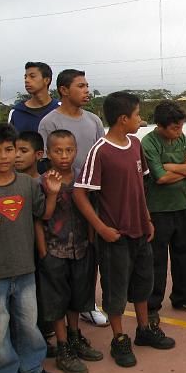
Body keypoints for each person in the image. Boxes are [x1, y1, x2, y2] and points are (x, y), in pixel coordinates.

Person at [73, 92, 175, 368]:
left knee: (144, 283)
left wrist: (147, 219)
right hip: (115, 236)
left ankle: (144, 329)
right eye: (138, 115)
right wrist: (102, 228)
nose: (141, 120)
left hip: (140, 230)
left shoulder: (134, 144)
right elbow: (80, 194)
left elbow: (140, 188)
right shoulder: (100, 151)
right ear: (123, 119)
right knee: (115, 290)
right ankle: (119, 339)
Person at [38, 69, 108, 328]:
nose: (87, 90)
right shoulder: (49, 122)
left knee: (90, 252)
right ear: (64, 90)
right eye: (81, 85)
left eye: (87, 85)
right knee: (63, 257)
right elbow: (46, 162)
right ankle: (64, 317)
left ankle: (88, 304)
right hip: (63, 199)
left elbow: (101, 156)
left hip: (92, 195)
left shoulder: (93, 120)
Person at [0, 123, 60, 373]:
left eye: (8, 149)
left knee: (27, 323)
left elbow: (43, 215)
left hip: (25, 269)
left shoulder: (26, 184)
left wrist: (52, 193)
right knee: (0, 329)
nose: (3, 156)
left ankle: (32, 367)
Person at [37, 130, 103, 373]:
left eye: (69, 150)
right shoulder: (43, 181)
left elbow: (92, 210)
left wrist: (91, 241)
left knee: (78, 296)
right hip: (55, 250)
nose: (64, 156)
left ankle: (75, 337)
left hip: (82, 249)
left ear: (76, 151)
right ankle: (63, 346)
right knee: (57, 301)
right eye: (57, 150)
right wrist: (43, 251)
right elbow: (42, 216)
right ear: (47, 152)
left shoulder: (83, 178)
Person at [142, 102, 186, 323]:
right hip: (158, 210)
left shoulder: (181, 139)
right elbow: (159, 177)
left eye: (180, 126)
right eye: (174, 128)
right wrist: (182, 169)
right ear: (160, 125)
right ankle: (152, 304)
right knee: (157, 260)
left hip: (183, 204)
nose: (179, 131)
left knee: (185, 254)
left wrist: (171, 166)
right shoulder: (148, 143)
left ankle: (182, 296)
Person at [8, 62, 60, 133]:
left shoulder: (61, 109)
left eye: (32, 76)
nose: (26, 80)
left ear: (46, 80)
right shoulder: (16, 112)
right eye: (25, 77)